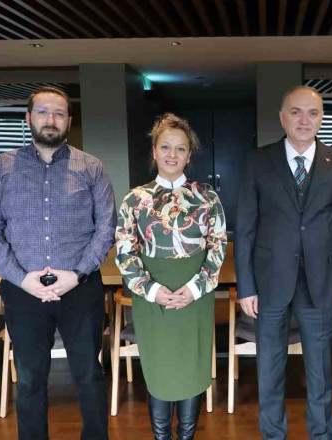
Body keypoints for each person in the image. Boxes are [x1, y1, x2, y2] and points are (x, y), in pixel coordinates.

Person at [0, 86, 116, 440]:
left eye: (58, 113)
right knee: (30, 378)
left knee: (89, 374)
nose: (50, 120)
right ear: (28, 118)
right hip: (23, 292)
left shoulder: (92, 167)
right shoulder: (2, 167)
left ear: (69, 121)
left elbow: (106, 228)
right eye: (42, 112)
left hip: (81, 290)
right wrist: (21, 279)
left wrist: (79, 274)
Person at [235, 86, 332, 440]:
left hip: (322, 283)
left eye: (313, 113)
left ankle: (323, 434)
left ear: (321, 118)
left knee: (320, 367)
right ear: (282, 117)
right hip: (270, 281)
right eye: (296, 112)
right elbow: (245, 228)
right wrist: (246, 286)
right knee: (269, 368)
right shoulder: (258, 160)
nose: (304, 120)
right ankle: (272, 434)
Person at [116, 113, 227, 440]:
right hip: (152, 298)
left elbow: (217, 248)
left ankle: (187, 435)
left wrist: (194, 288)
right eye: (165, 147)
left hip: (196, 295)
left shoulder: (208, 197)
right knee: (160, 368)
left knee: (191, 365)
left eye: (180, 149)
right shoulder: (135, 199)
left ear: (189, 155)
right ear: (154, 151)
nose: (172, 155)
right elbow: (125, 251)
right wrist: (151, 290)